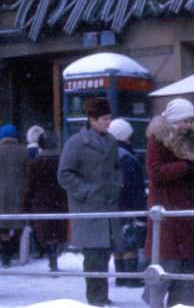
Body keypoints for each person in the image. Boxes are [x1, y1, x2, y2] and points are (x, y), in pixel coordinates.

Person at [57, 98, 122, 307]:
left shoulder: (111, 141)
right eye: (104, 119)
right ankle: (95, 300)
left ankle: (102, 297)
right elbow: (64, 173)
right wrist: (85, 191)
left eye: (109, 118)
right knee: (93, 255)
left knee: (104, 254)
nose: (108, 122)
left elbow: (116, 167)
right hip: (89, 207)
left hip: (107, 206)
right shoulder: (76, 142)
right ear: (92, 120)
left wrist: (117, 184)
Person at [143, 98, 194, 308]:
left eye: (190, 120)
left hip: (185, 212)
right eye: (184, 121)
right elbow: (156, 172)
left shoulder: (192, 139)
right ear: (173, 120)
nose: (188, 125)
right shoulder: (157, 139)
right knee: (163, 270)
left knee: (185, 275)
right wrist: (186, 167)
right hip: (166, 211)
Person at [22, 129, 68, 272]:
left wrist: (25, 205)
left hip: (42, 201)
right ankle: (54, 256)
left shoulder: (35, 162)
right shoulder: (62, 160)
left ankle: (51, 256)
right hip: (60, 200)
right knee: (57, 230)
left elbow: (29, 185)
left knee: (47, 231)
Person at [108, 118, 146, 287]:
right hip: (127, 204)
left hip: (110, 204)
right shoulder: (127, 157)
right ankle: (131, 277)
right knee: (130, 241)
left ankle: (121, 276)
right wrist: (139, 209)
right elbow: (134, 186)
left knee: (116, 240)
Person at [0, 123, 28, 268]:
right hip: (19, 193)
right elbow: (28, 173)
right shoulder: (23, 151)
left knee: (2, 225)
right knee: (19, 223)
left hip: (1, 195)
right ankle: (12, 248)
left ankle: (5, 256)